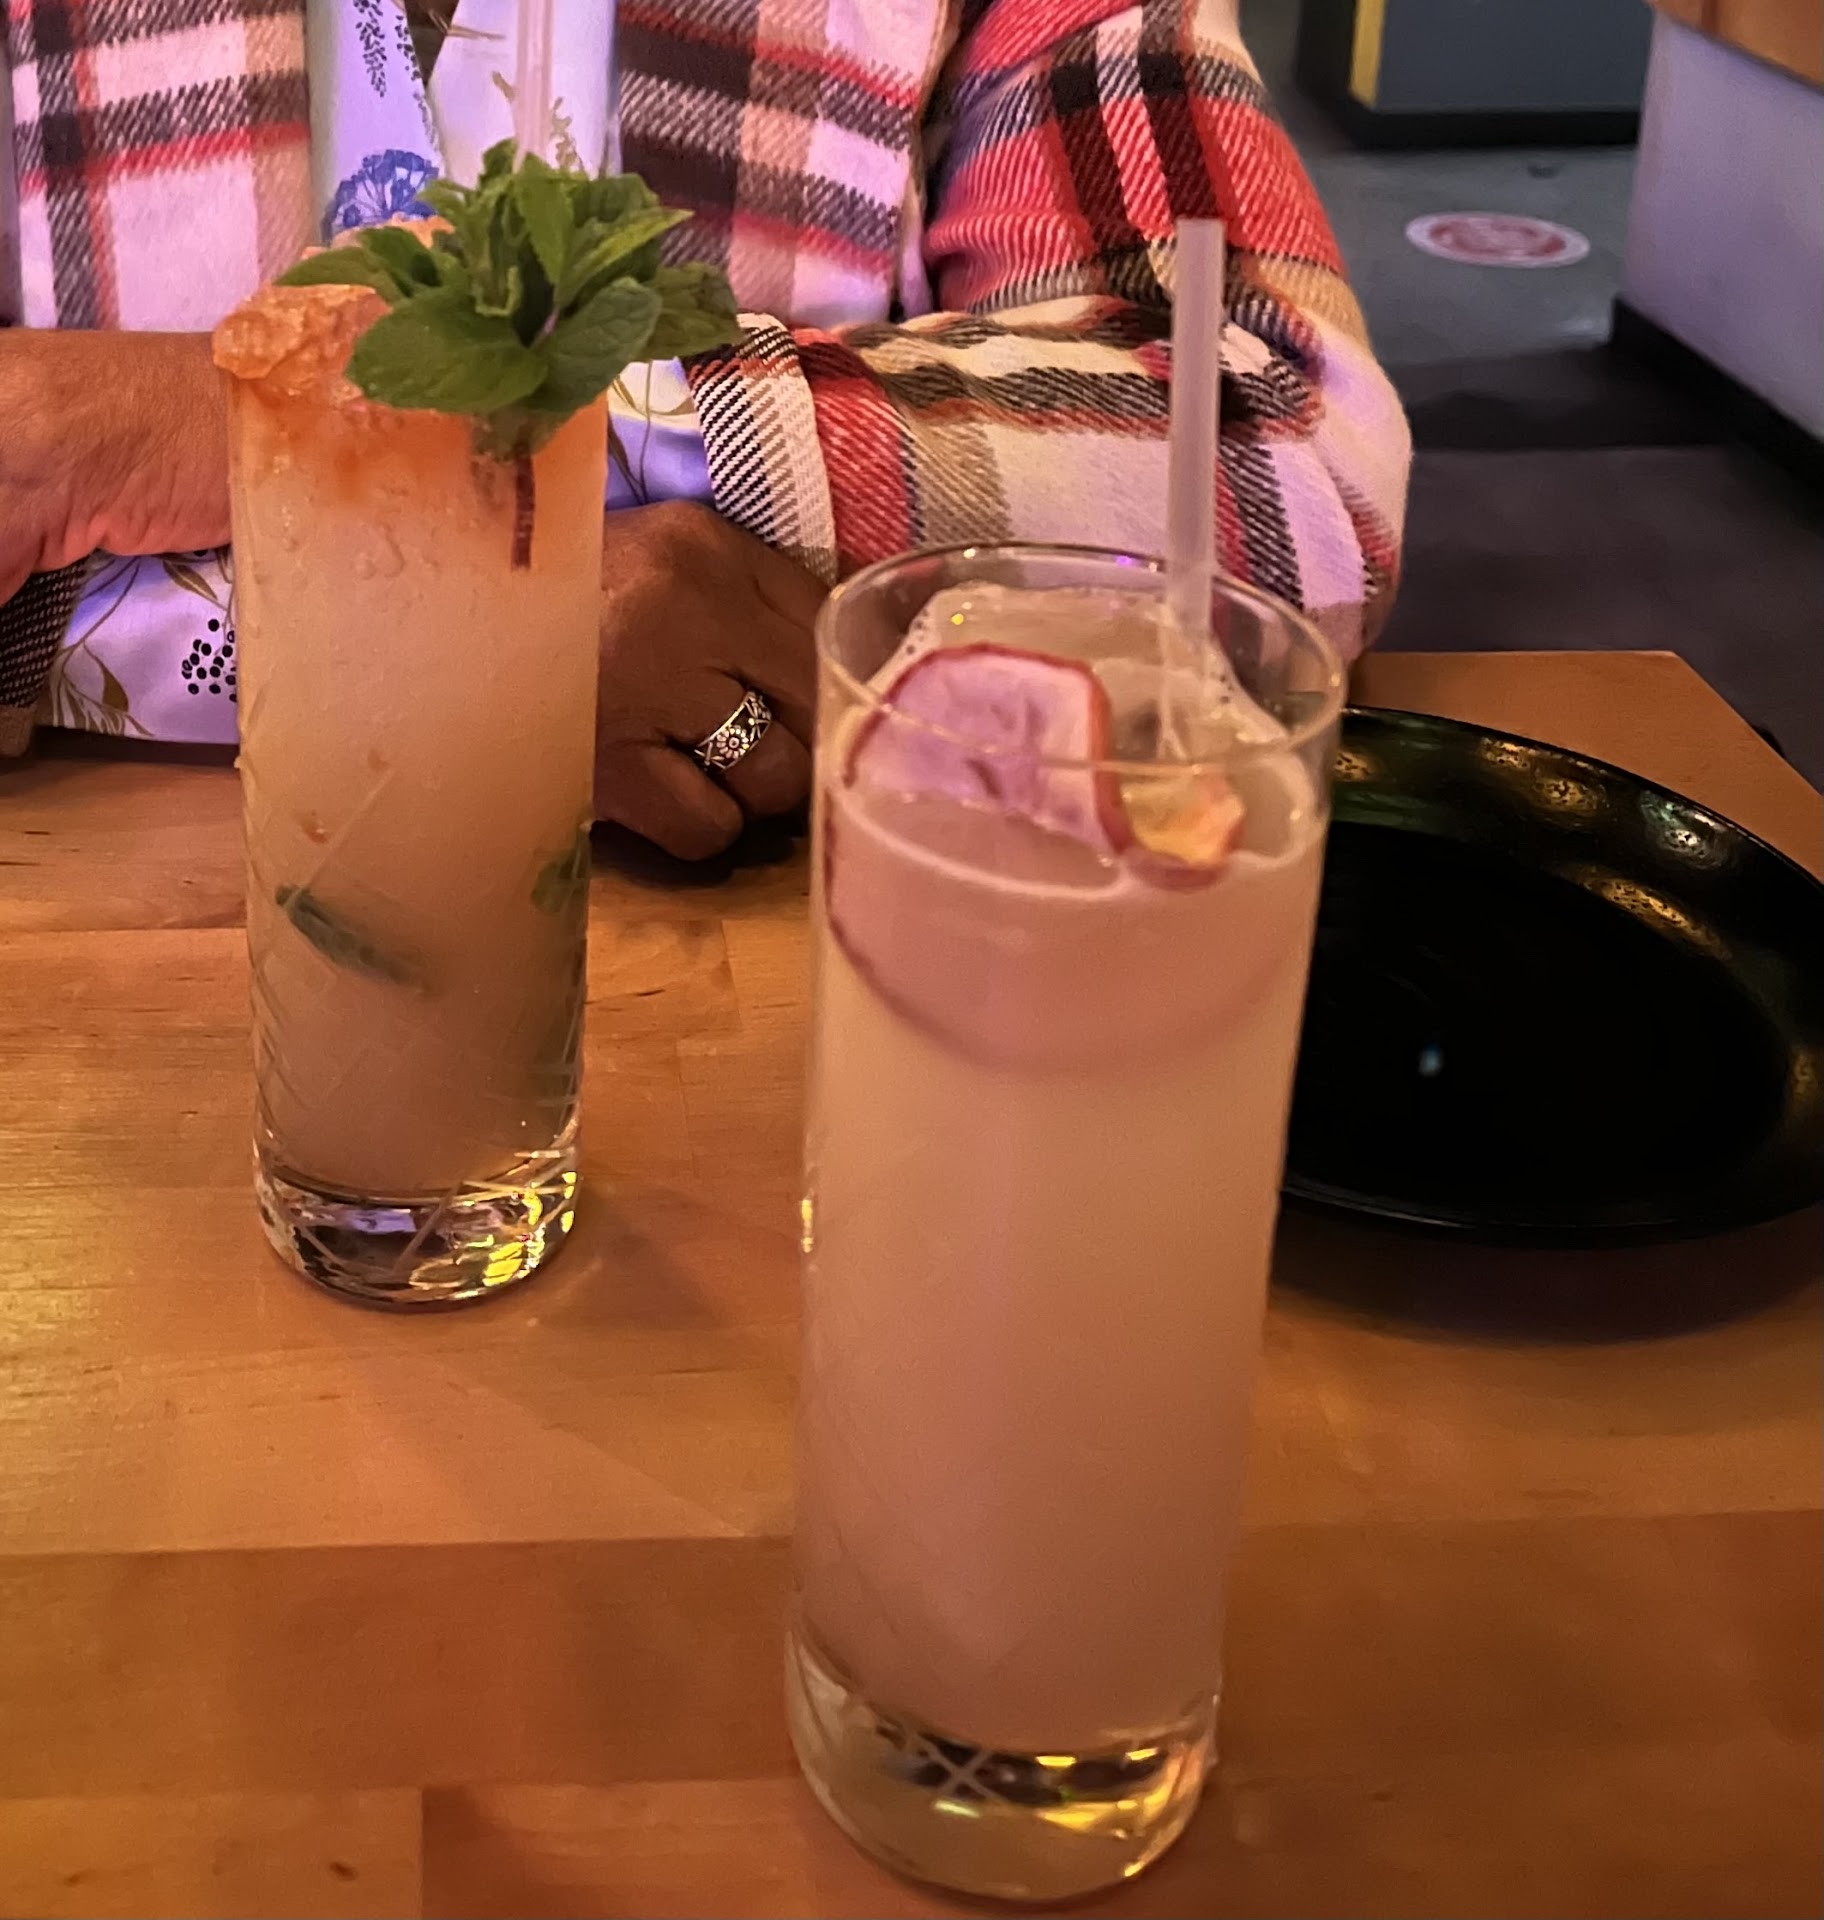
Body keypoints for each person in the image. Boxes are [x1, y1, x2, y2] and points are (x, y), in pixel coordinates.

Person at [0, 0, 1408, 859]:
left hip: (811, 986)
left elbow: (1289, 472)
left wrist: (277, 424)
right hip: (128, 1021)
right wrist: (538, 583)